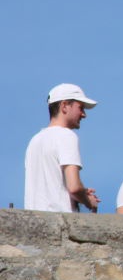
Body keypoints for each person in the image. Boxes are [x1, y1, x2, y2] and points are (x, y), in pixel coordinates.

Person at [24, 83, 101, 213]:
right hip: (57, 220)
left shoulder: (35, 141)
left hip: (34, 220)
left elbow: (49, 186)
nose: (84, 114)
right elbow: (74, 187)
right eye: (80, 108)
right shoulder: (66, 135)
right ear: (64, 106)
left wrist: (81, 193)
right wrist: (89, 201)